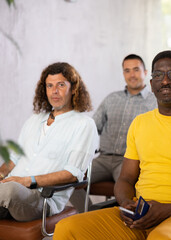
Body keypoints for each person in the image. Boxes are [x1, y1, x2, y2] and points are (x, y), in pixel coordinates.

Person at [54, 50, 171, 240]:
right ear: (152, 84)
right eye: (157, 75)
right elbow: (126, 179)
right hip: (140, 215)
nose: (165, 80)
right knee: (67, 228)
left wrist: (166, 210)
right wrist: (125, 203)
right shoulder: (140, 123)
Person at [0, 62, 99, 222]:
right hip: (6, 193)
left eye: (61, 85)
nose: (54, 91)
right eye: (49, 86)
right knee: (8, 189)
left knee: (10, 190)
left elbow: (72, 174)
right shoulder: (33, 120)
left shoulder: (84, 125)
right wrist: (1, 174)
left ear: (74, 88)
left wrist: (26, 181)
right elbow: (14, 159)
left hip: (41, 199)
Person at [70, 54, 157, 212]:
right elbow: (92, 127)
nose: (132, 75)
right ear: (123, 74)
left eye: (136, 70)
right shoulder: (111, 99)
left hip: (129, 162)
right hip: (102, 159)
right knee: (69, 178)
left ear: (145, 72)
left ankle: (122, 225)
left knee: (129, 192)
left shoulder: (154, 102)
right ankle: (88, 216)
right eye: (127, 70)